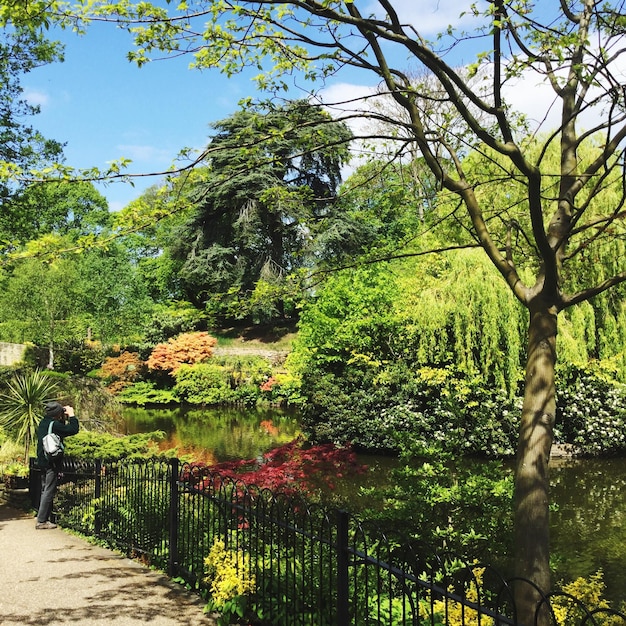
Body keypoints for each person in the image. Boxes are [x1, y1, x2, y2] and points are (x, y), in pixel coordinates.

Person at [35, 401, 79, 529]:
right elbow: (73, 429)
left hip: (42, 460)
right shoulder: (54, 424)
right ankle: (42, 521)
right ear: (57, 414)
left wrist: (62, 417)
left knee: (44, 489)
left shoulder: (44, 423)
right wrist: (71, 415)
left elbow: (60, 430)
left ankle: (43, 516)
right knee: (49, 490)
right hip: (51, 462)